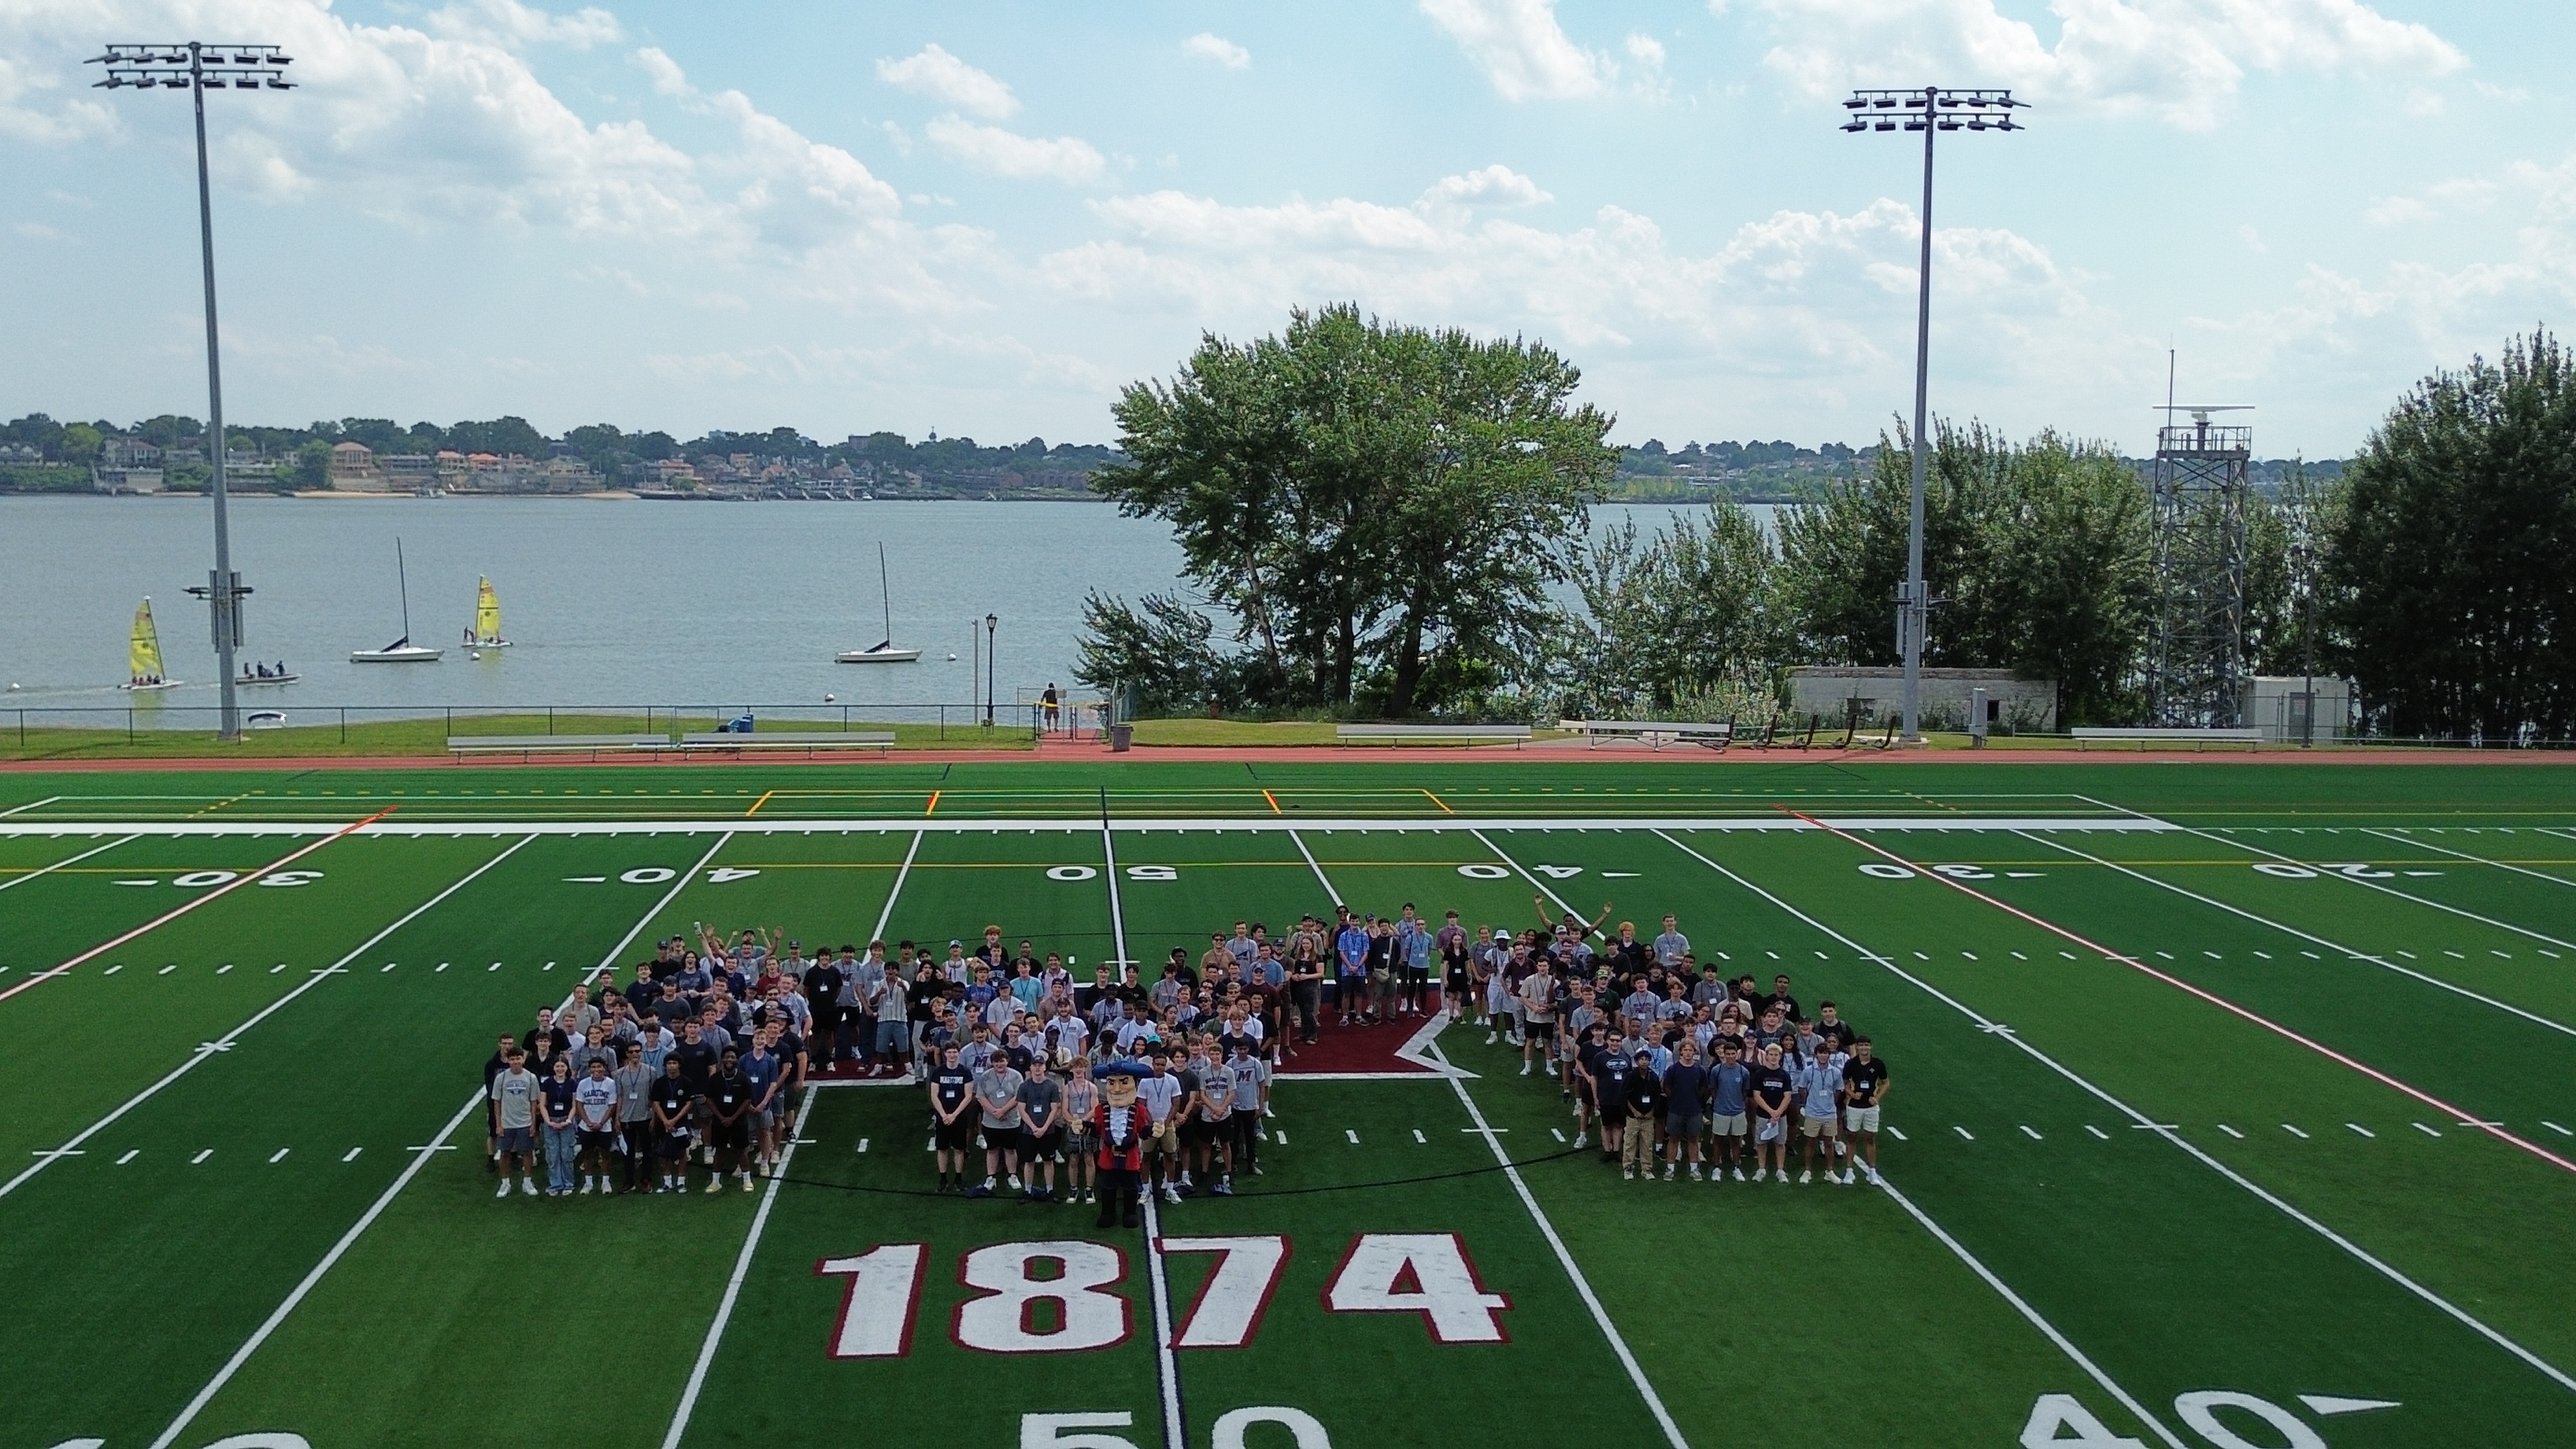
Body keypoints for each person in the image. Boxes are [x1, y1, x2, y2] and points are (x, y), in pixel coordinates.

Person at [1093, 1063, 1151, 1231]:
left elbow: (1142, 1131)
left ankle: (1130, 1213)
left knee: (1130, 1187)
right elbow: (1097, 1130)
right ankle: (1107, 1213)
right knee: (1108, 1186)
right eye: (1112, 1083)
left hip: (1130, 1154)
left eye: (1124, 1082)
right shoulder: (1101, 1109)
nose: (1117, 1089)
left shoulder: (1139, 1110)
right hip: (1109, 1155)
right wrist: (1083, 1127)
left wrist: (1152, 1130)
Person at [972, 1050, 1027, 1198]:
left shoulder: (1016, 1076)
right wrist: (995, 1112)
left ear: (1007, 1061)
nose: (999, 1064)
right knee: (992, 1150)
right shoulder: (985, 1076)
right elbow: (981, 1097)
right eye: (996, 1062)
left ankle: (1012, 1175)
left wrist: (1003, 1111)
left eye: (1002, 1061)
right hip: (990, 1122)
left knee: (1010, 1150)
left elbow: (1018, 1096)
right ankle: (991, 1177)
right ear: (992, 1063)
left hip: (1011, 1121)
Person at [489, 1050, 538, 1198]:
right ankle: (505, 1183)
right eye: (513, 1059)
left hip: (525, 1122)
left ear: (523, 1060)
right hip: (507, 1123)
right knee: (505, 1153)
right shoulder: (501, 1078)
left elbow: (534, 1102)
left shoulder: (531, 1077)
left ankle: (527, 1182)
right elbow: (497, 1102)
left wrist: (533, 1123)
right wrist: (498, 1124)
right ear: (508, 1060)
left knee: (527, 1152)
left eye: (518, 1058)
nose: (516, 1062)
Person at [929, 1045, 978, 1192]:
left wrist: (955, 1115)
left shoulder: (965, 1072)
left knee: (959, 1148)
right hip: (943, 1116)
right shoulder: (939, 1072)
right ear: (945, 1054)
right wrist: (944, 1115)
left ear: (958, 1054)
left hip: (959, 1116)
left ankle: (958, 1178)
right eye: (949, 1052)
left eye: (954, 1052)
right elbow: (934, 1095)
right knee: (942, 1148)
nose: (952, 1055)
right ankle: (943, 1178)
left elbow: (968, 1095)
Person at [1841, 1037, 1888, 1185]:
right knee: (1851, 1137)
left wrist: (1877, 1098)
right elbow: (1845, 1083)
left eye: (1866, 1045)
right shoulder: (1851, 1064)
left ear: (1871, 1047)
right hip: (1855, 1106)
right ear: (1857, 1047)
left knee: (1870, 1137)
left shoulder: (1878, 1064)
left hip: (1871, 1106)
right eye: (1861, 1045)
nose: (1864, 1048)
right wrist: (1852, 1094)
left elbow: (1886, 1083)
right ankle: (1849, 1171)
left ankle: (1872, 1171)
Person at [1662, 1039, 1710, 1181]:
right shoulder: (1673, 1069)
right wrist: (1674, 1098)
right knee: (1673, 1139)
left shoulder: (1699, 1070)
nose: (1688, 1053)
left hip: (1694, 1110)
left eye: (1691, 1050)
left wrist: (1697, 1099)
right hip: (1676, 1110)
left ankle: (1694, 1169)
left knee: (1694, 1139)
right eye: (1686, 1050)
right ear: (1681, 1052)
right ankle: (1670, 1169)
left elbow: (1704, 1088)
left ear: (1694, 1052)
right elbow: (1666, 1086)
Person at [1019, 1054, 1066, 1202]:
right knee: (1029, 1161)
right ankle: (1027, 1191)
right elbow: (1021, 1109)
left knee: (1048, 1161)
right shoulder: (1024, 1086)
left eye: (1040, 1065)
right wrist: (1034, 1127)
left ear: (1045, 1067)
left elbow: (1055, 1109)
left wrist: (1044, 1128)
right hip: (1029, 1131)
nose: (1038, 1068)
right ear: (1031, 1067)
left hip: (1048, 1131)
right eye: (1035, 1065)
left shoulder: (1051, 1086)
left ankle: (1050, 1190)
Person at [573, 1056, 621, 1195]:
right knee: (588, 1154)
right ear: (589, 1069)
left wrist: (601, 1123)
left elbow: (612, 1105)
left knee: (605, 1154)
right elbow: (580, 1104)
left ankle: (606, 1182)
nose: (596, 1070)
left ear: (604, 1069)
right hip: (586, 1126)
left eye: (599, 1067)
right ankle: (588, 1183)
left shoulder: (611, 1084)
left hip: (604, 1125)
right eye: (593, 1067)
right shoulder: (583, 1083)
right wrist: (588, 1122)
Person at [708, 1049, 755, 1192]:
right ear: (722, 1059)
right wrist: (721, 1117)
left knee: (742, 1151)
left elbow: (748, 1100)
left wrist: (733, 1118)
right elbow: (709, 1100)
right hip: (719, 1121)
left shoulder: (743, 1078)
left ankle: (747, 1181)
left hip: (739, 1121)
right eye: (727, 1057)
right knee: (719, 1151)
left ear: (737, 1060)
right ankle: (715, 1182)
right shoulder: (715, 1079)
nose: (730, 1060)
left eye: (733, 1057)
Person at [649, 1054, 696, 1193]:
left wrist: (674, 1120)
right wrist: (665, 1121)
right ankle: (667, 1182)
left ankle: (681, 1182)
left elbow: (689, 1103)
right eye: (669, 1064)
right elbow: (655, 1103)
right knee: (664, 1153)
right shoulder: (660, 1082)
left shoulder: (686, 1082)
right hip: (663, 1123)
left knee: (682, 1152)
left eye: (674, 1063)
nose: (671, 1066)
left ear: (679, 1065)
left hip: (680, 1122)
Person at [536, 1055, 580, 1197]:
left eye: (563, 1066)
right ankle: (555, 1184)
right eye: (557, 1066)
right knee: (552, 1155)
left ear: (567, 1068)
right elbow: (542, 1104)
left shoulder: (572, 1084)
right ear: (553, 1068)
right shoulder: (547, 1083)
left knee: (566, 1154)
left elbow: (575, 1105)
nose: (560, 1069)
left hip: (566, 1122)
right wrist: (548, 1121)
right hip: (551, 1121)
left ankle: (568, 1183)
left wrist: (568, 1120)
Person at [1708, 1038, 1752, 1182]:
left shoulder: (1743, 1071)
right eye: (1728, 1054)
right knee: (1718, 1140)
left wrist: (1738, 1103)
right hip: (1721, 1111)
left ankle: (1736, 1167)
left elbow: (1745, 1091)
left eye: (1733, 1054)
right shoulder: (1717, 1070)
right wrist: (1720, 1102)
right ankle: (1716, 1167)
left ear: (1737, 1055)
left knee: (1736, 1140)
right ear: (1724, 1054)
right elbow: (1713, 1089)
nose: (1731, 1056)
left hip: (1738, 1111)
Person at [1749, 1043, 1794, 1183]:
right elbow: (1757, 1095)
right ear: (1766, 1056)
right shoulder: (1760, 1074)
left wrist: (1778, 1113)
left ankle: (1780, 1170)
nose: (1774, 1057)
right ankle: (1761, 1169)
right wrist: (1771, 1112)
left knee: (1780, 1143)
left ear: (1780, 1057)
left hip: (1781, 1116)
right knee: (1761, 1142)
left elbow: (1788, 1096)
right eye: (1771, 1055)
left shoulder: (1784, 1075)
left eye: (1777, 1055)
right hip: (1763, 1115)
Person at [1061, 1056, 1101, 1206]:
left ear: (1085, 1068)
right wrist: (1073, 1122)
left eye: (1081, 1067)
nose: (1078, 1070)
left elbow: (1095, 1108)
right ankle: (1074, 1188)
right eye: (1076, 1067)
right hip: (1072, 1126)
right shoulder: (1067, 1087)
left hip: (1087, 1125)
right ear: (1071, 1070)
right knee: (1073, 1159)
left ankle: (1089, 1189)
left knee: (1089, 1158)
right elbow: (1064, 1109)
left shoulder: (1091, 1087)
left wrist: (1083, 1122)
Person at [1619, 1045, 1663, 1182]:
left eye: (1647, 1059)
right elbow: (1624, 1096)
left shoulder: (1653, 1077)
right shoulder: (1631, 1076)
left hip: (1648, 1117)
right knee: (1630, 1143)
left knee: (1648, 1144)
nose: (1644, 1062)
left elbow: (1657, 1097)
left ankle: (1647, 1169)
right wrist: (1634, 1111)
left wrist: (1652, 1112)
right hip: (1633, 1117)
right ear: (1637, 1061)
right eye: (1641, 1059)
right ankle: (1628, 1168)